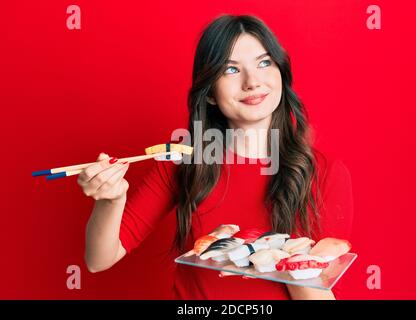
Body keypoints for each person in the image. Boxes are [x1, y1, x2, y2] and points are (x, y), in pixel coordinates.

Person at [77, 14, 353, 300]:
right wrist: (111, 201)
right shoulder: (184, 158)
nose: (252, 82)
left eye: (264, 62)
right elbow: (98, 260)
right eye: (231, 70)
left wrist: (277, 255)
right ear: (209, 93)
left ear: (280, 72)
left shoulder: (325, 172)